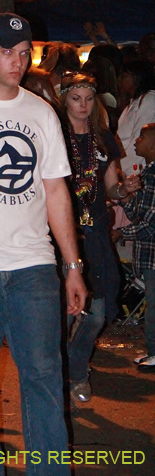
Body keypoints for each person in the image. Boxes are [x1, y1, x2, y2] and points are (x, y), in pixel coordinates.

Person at [0, 13, 87, 476]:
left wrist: (72, 266)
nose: (19, 60)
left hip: (33, 268)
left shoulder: (41, 112)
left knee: (44, 381)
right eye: (8, 51)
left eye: (25, 52)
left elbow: (55, 192)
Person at [58, 71, 138, 403]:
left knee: (99, 313)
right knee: (61, 315)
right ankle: (68, 376)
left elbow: (111, 187)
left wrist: (124, 189)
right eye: (76, 98)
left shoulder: (104, 138)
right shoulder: (54, 137)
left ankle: (75, 368)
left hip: (97, 238)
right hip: (62, 236)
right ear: (64, 101)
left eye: (89, 99)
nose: (83, 105)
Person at [113, 123, 155, 370]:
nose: (137, 141)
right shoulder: (147, 174)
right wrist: (126, 197)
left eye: (142, 137)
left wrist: (120, 233)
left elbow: (150, 224)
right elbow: (140, 213)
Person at [116, 60, 155, 175]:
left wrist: (121, 172)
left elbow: (142, 142)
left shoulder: (149, 100)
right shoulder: (135, 102)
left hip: (134, 172)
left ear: (137, 77)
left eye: (124, 75)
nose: (120, 79)